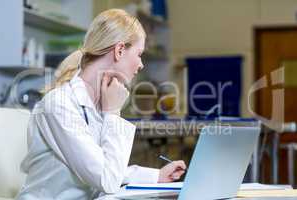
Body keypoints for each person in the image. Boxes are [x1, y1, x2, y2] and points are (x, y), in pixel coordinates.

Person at [16, 9, 186, 200]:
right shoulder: (58, 105)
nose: (141, 65)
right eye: (139, 54)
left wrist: (157, 176)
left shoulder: (95, 104)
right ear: (119, 50)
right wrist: (113, 112)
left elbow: (102, 166)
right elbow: (107, 179)